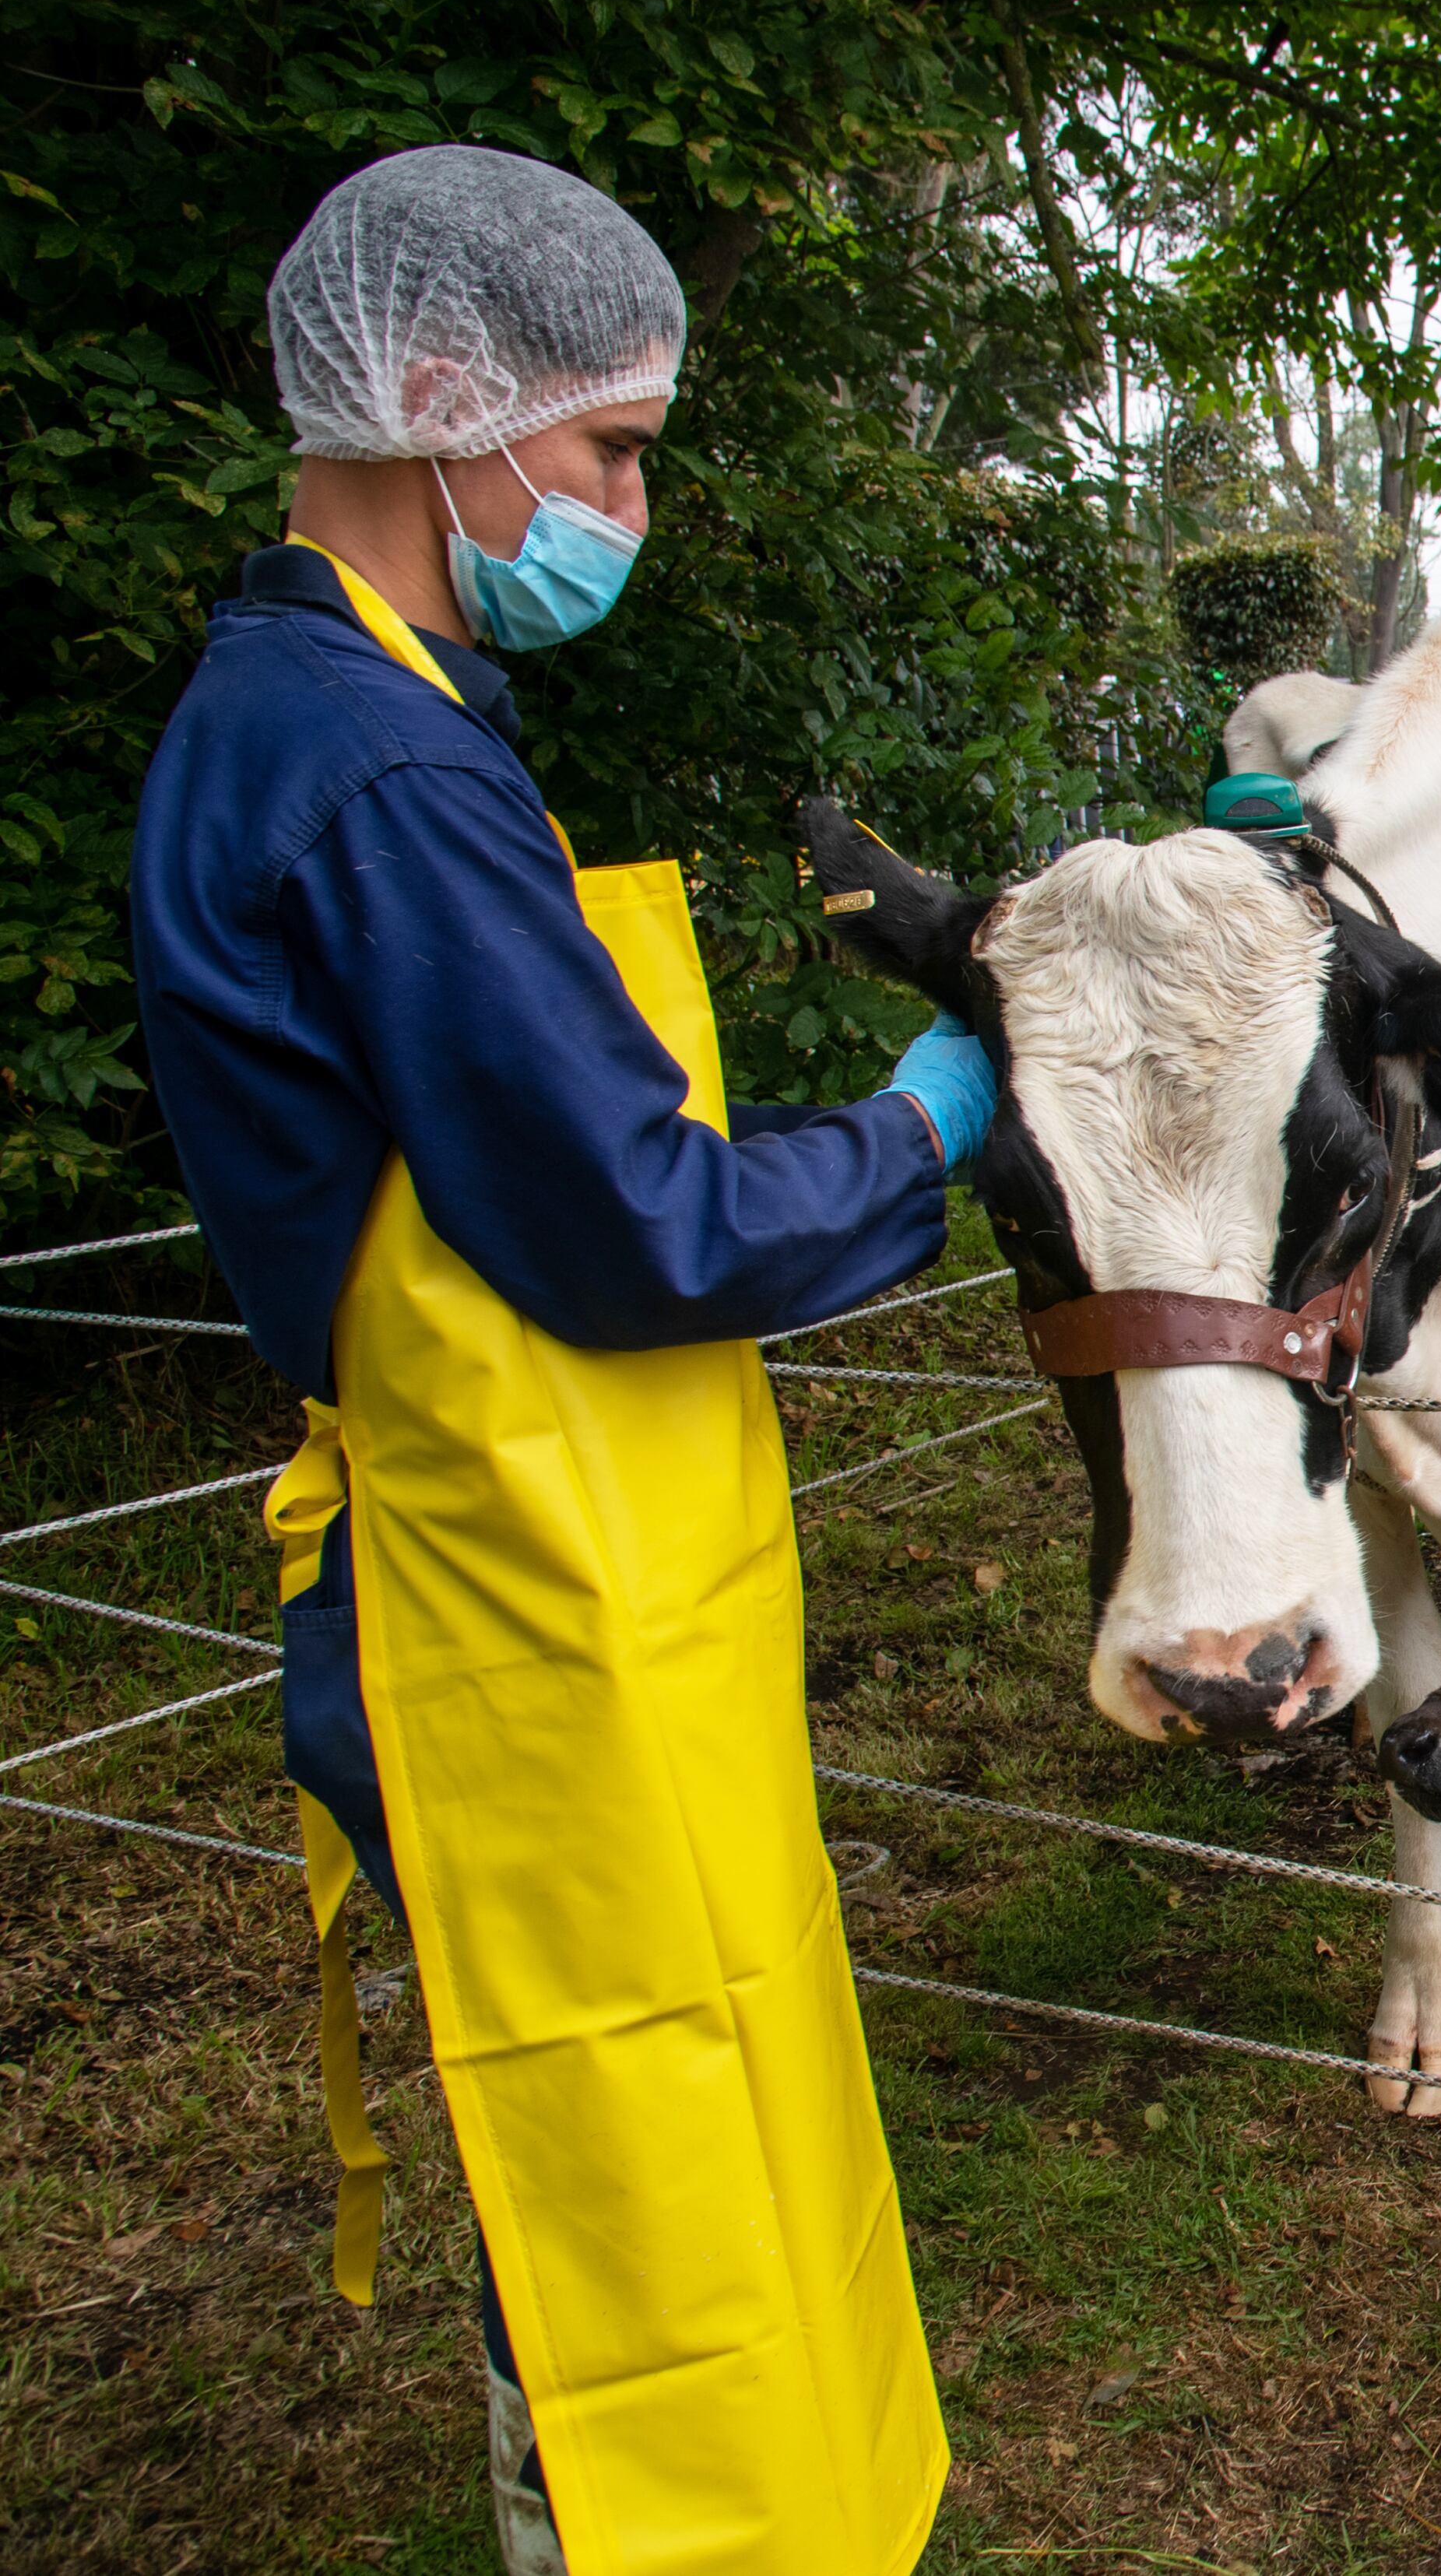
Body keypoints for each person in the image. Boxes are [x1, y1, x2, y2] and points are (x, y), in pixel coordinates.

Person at [129, 147, 970, 2576]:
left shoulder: (357, 713)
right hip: (506, 1610)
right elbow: (630, 1219)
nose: (629, 509)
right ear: (432, 394)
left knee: (690, 2110)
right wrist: (924, 1129)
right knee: (618, 2167)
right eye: (612, 453)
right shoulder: (376, 774)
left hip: (572, 1582)